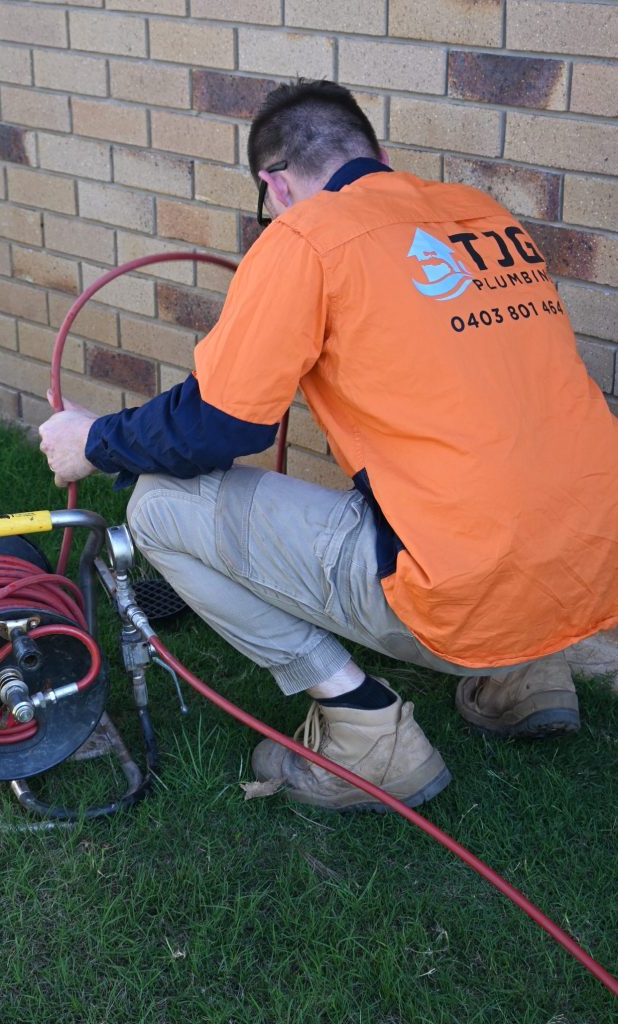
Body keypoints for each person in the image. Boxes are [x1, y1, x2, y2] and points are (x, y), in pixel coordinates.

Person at [39, 80, 618, 812]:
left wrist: (95, 441)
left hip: (467, 590)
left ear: (275, 184)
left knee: (156, 507)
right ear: (376, 155)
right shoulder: (482, 217)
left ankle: (367, 733)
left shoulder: (308, 236)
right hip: (591, 564)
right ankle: (528, 676)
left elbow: (218, 427)